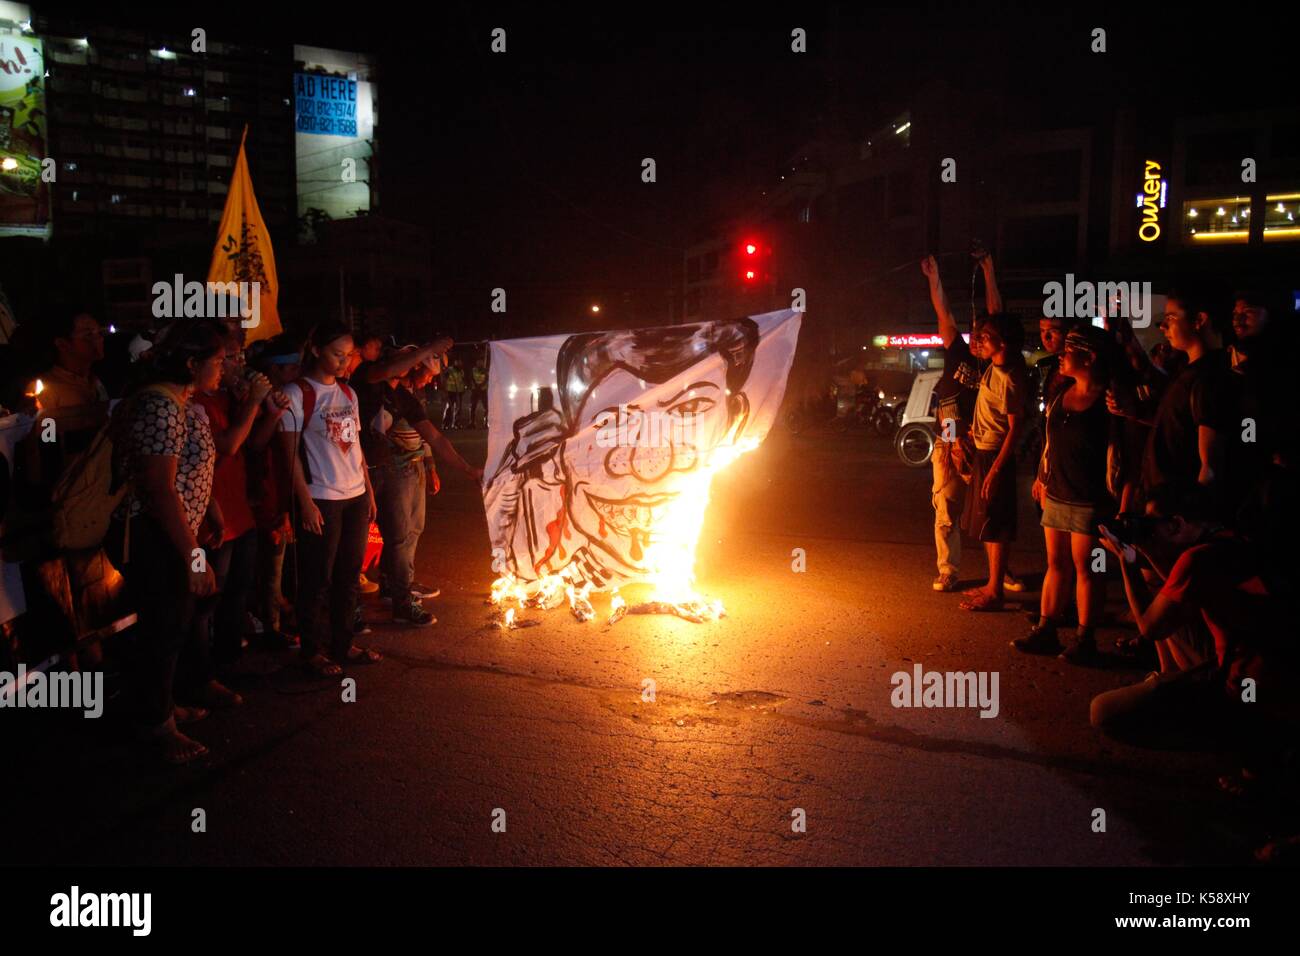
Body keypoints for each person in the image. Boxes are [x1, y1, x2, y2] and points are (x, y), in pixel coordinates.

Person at [1090, 483, 1296, 748]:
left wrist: (1126, 563)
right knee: (1170, 608)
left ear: (1176, 523)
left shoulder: (1197, 559)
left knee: (1103, 711)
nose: (1150, 530)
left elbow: (1150, 628)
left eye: (1152, 524)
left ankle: (1246, 745)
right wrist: (1146, 550)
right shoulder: (1231, 540)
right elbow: (1180, 593)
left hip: (1243, 686)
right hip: (1272, 666)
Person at [105, 320, 225, 765]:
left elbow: (191, 471)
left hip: (178, 532)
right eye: (218, 360)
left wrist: (209, 513)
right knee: (163, 627)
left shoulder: (180, 402)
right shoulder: (160, 407)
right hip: (154, 535)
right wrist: (193, 556)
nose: (225, 367)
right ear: (191, 363)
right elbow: (160, 491)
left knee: (174, 624)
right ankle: (155, 726)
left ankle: (162, 708)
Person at [279, 322, 382, 676]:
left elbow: (355, 447)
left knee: (349, 575)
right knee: (316, 577)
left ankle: (343, 643)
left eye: (348, 355)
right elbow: (289, 453)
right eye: (338, 354)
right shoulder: (297, 393)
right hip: (322, 497)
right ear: (317, 350)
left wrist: (367, 490)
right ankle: (311, 650)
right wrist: (305, 502)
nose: (344, 362)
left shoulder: (348, 394)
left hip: (354, 496)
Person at [920, 253, 1024, 594]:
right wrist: (934, 278)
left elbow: (997, 314)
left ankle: (999, 572)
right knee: (946, 509)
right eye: (975, 337)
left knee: (988, 511)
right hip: (950, 442)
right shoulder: (957, 352)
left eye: (984, 336)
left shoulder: (997, 364)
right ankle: (948, 570)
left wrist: (989, 272)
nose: (978, 340)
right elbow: (944, 313)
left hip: (980, 446)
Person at [1015, 328, 1117, 662]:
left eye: (1070, 349)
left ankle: (1086, 638)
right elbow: (1049, 439)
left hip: (1088, 497)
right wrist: (1043, 476)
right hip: (1056, 491)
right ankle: (1047, 630)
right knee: (1055, 563)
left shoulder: (1108, 401)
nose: (1062, 354)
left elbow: (1118, 453)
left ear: (1089, 358)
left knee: (1086, 567)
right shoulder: (1062, 393)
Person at [187, 327, 277, 696]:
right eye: (225, 358)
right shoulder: (192, 403)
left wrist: (267, 410)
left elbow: (252, 444)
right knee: (205, 602)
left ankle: (227, 666)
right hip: (211, 521)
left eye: (237, 357)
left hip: (240, 513)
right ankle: (198, 678)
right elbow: (227, 445)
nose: (234, 365)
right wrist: (254, 402)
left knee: (236, 594)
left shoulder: (225, 397)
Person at [1110, 291, 1231, 501]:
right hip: (1165, 500)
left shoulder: (1207, 378)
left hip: (1177, 508)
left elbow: (1209, 465)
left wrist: (1188, 517)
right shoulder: (1187, 373)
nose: (1163, 327)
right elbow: (1178, 427)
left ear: (1199, 320)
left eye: (1170, 318)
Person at [959, 311, 1029, 611]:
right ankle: (991, 583)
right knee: (986, 522)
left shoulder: (1011, 376)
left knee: (996, 522)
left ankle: (996, 590)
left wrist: (995, 470)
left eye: (986, 336)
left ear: (1003, 341)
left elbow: (1016, 427)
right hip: (984, 451)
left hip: (995, 455)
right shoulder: (994, 367)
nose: (980, 341)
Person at [38, 309, 109, 457]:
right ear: (62, 344)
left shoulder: (96, 381)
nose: (99, 339)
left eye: (99, 332)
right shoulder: (47, 391)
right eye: (88, 335)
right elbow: (45, 446)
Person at [442, 358, 467, 430]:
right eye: (458, 363)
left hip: (459, 392)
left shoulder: (461, 371)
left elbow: (462, 381)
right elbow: (444, 379)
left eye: (460, 363)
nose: (459, 364)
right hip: (451, 391)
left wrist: (463, 388)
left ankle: (456, 424)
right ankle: (445, 424)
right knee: (449, 408)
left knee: (458, 408)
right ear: (455, 362)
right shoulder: (449, 370)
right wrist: (445, 390)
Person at [469, 355, 489, 428]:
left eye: (481, 362)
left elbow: (487, 379)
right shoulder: (473, 370)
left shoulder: (485, 370)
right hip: (475, 391)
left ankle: (486, 423)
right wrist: (476, 385)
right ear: (476, 363)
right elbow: (471, 378)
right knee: (472, 407)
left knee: (486, 407)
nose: (480, 363)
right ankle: (472, 423)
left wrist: (481, 385)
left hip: (483, 390)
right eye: (478, 362)